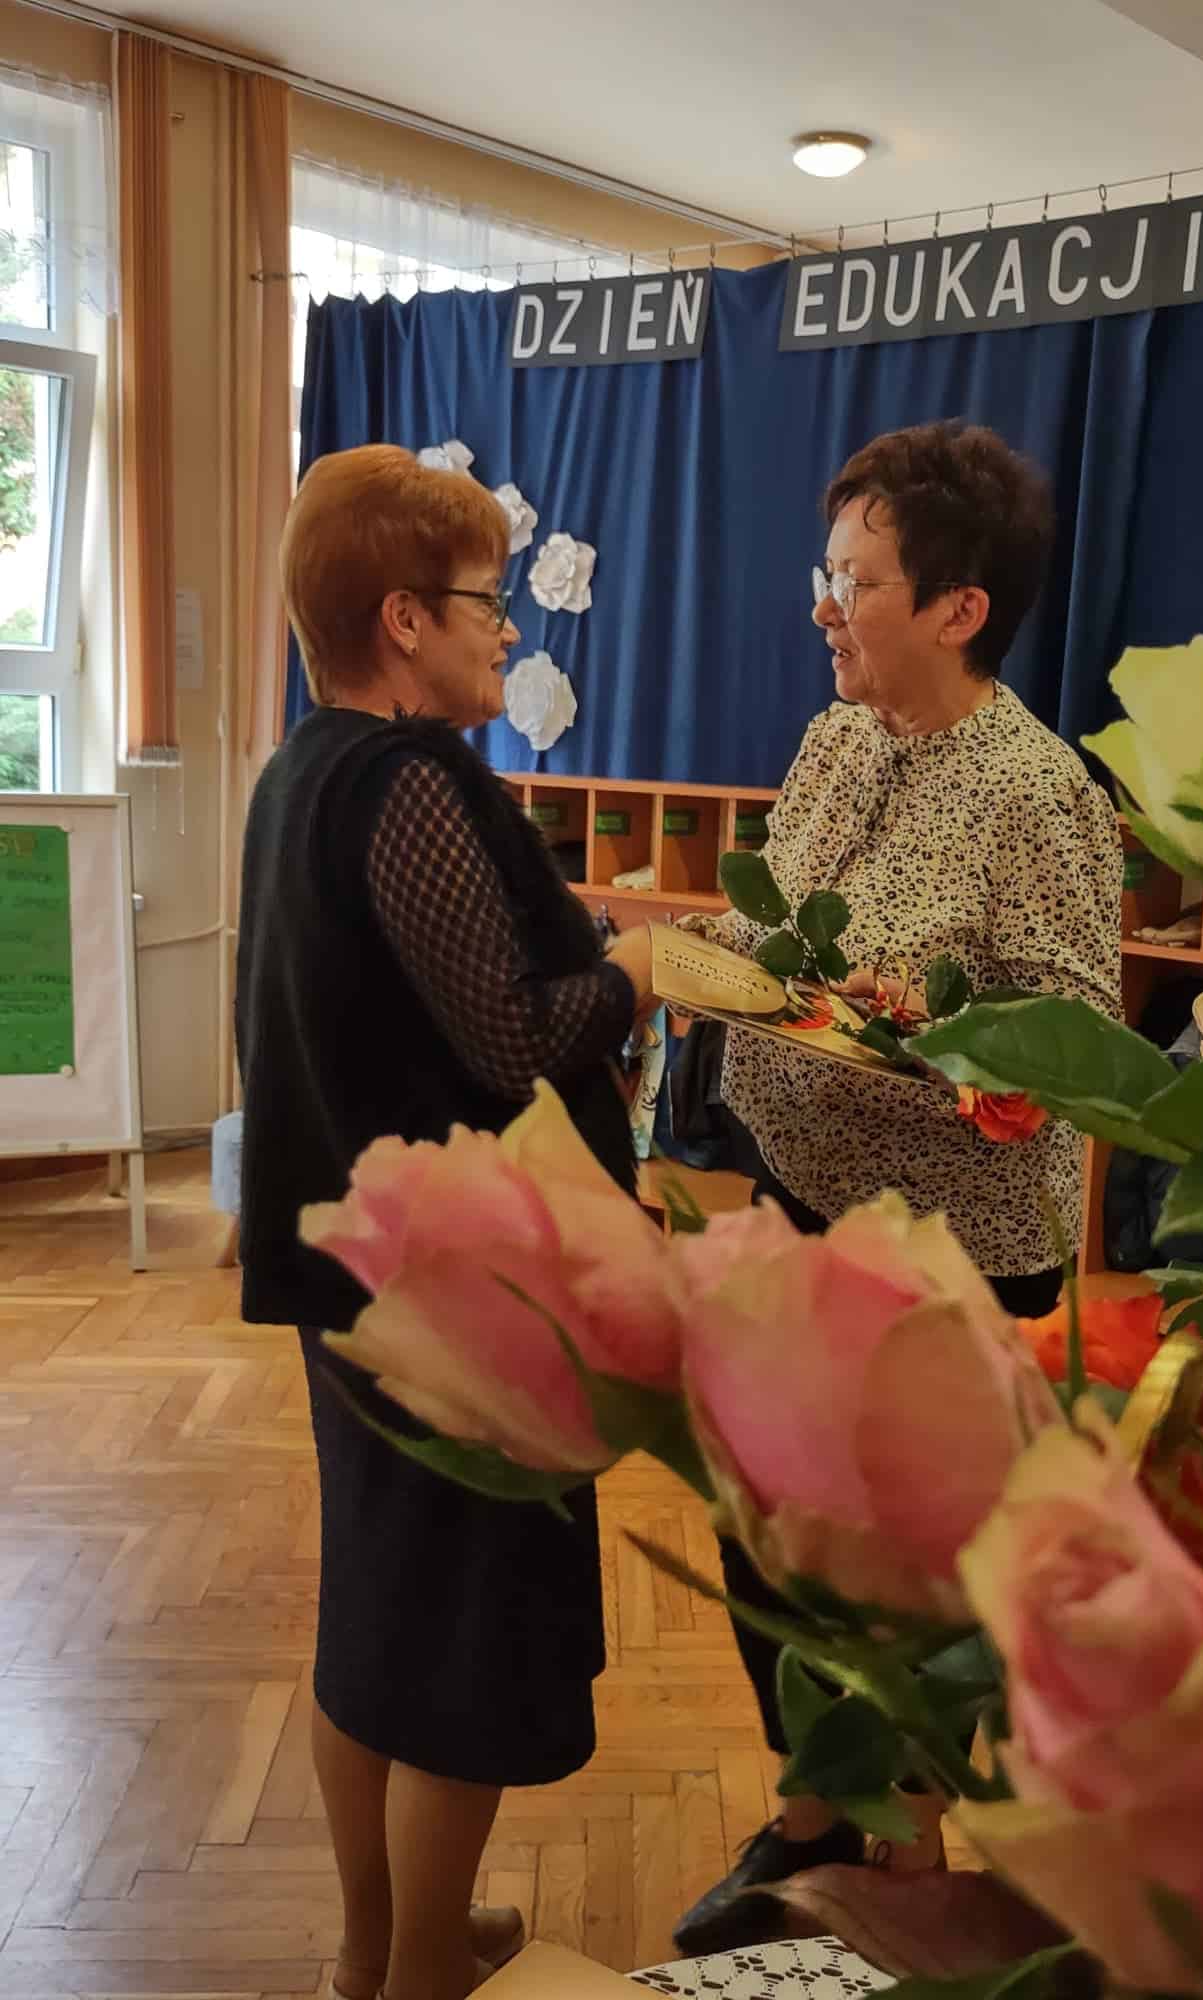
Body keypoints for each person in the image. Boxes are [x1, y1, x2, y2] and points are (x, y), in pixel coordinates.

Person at [673, 420, 1123, 1953]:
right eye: (828, 570)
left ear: (957, 608)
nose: (824, 603)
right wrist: (689, 956)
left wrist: (927, 1025)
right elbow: (771, 930)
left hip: (952, 1255)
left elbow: (1077, 1040)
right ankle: (811, 1816)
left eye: (856, 579)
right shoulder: (832, 740)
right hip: (793, 1194)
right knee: (766, 1525)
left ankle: (910, 1863)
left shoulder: (1038, 791)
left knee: (910, 1575)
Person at [235, 446, 653, 2000]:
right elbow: (509, 1034)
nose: (509, 628)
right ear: (404, 620)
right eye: (487, 600)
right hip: (456, 1294)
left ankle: (375, 1948)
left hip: (359, 1275)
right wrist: (637, 975)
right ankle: (421, 1975)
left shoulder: (301, 769)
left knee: (377, 1627)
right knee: (459, 1652)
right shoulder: (409, 777)